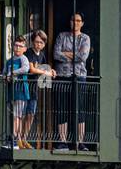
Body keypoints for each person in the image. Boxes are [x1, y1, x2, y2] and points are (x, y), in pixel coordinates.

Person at [55, 13, 93, 147]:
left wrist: (66, 53)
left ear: (82, 23)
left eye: (78, 20)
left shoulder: (85, 38)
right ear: (69, 21)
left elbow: (83, 57)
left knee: (79, 108)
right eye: (73, 20)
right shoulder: (62, 36)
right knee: (62, 108)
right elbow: (56, 54)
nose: (75, 23)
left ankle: (79, 142)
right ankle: (62, 141)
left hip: (79, 75)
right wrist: (74, 55)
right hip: (62, 76)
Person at [21, 31, 56, 144]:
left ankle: (24, 138)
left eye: (41, 42)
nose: (38, 45)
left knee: (31, 113)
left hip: (34, 88)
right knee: (22, 113)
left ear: (44, 44)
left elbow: (44, 67)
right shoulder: (29, 52)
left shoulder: (42, 55)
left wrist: (52, 71)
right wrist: (46, 73)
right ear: (32, 42)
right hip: (25, 86)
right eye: (36, 42)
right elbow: (32, 69)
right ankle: (18, 138)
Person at [4, 37, 32, 147]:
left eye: (20, 46)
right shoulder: (9, 60)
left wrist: (12, 73)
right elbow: (4, 72)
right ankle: (17, 138)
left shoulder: (23, 58)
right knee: (14, 115)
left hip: (21, 90)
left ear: (25, 48)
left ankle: (16, 138)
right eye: (16, 45)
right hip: (12, 90)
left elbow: (25, 69)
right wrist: (6, 76)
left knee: (17, 115)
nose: (17, 48)